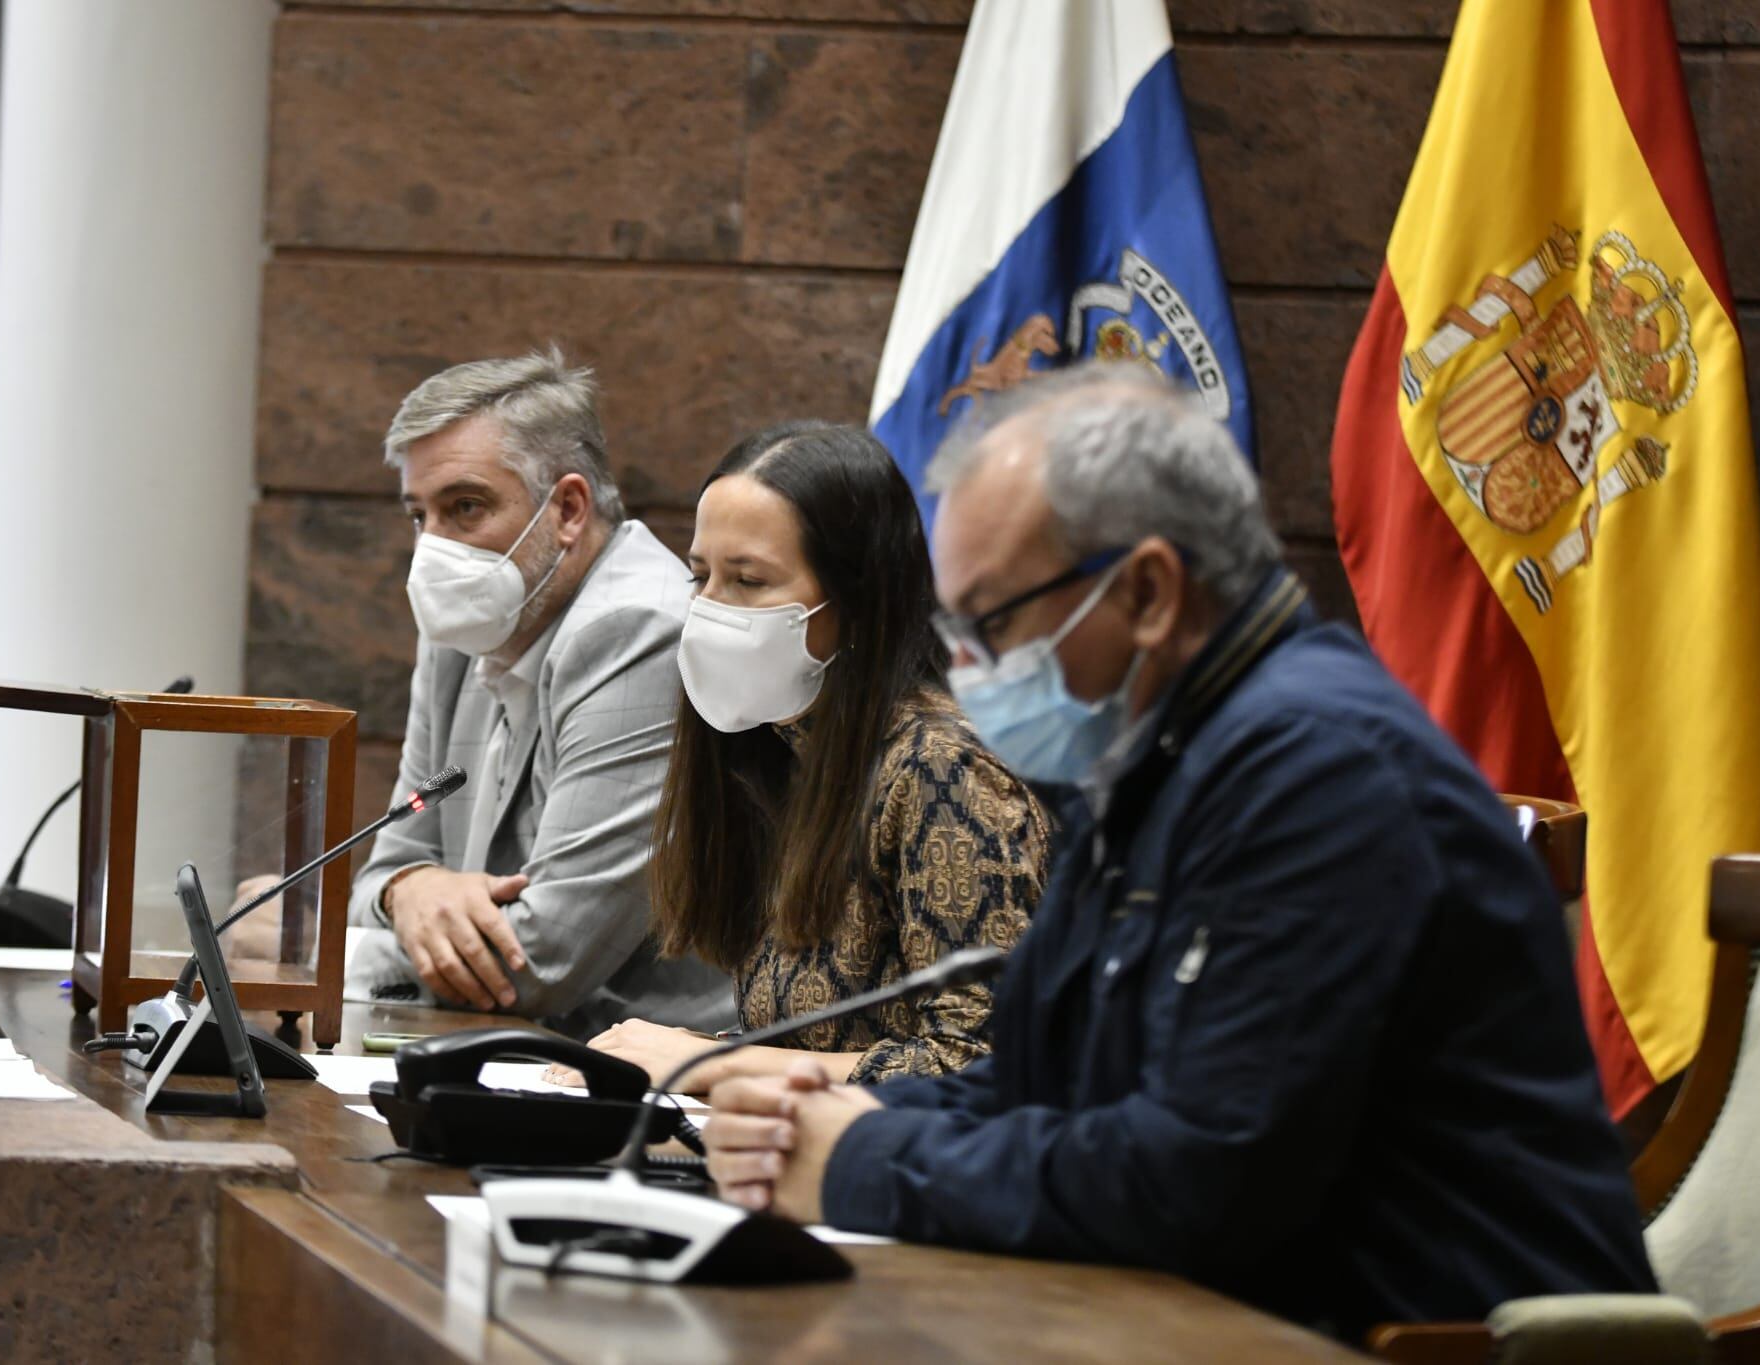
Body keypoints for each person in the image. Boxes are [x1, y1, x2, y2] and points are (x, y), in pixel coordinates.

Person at [701, 368, 1655, 1340]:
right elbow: (1040, 1079)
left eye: (991, 622)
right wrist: (847, 1115)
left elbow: (1199, 1178)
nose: (970, 667)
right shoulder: (1156, 758)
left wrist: (864, 1164)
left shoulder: (1318, 775)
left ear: (1148, 592)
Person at [565, 422, 1048, 1094]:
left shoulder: (944, 770)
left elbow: (987, 1065)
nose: (707, 611)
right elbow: (816, 1042)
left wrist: (715, 1062)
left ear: (854, 600)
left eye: (748, 579)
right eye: (700, 575)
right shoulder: (783, 745)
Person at [340, 347, 732, 1038]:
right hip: (507, 1053)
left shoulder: (638, 631)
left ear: (569, 509)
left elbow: (540, 960)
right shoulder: (465, 626)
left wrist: (325, 956)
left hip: (653, 1083)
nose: (432, 550)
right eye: (418, 515)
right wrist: (412, 889)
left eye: (465, 507)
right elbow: (387, 866)